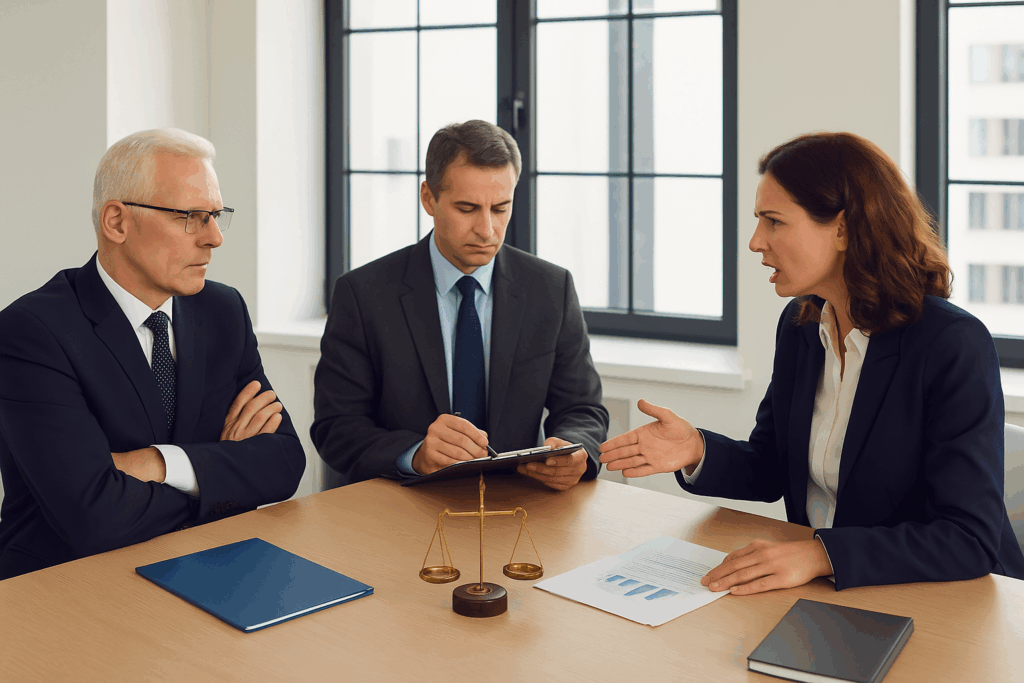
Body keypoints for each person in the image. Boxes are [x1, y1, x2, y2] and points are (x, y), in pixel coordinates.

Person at [600, 132, 1024, 593]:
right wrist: (696, 449)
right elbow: (772, 466)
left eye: (774, 222)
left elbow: (968, 537)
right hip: (833, 591)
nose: (756, 242)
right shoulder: (802, 326)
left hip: (951, 601)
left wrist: (822, 554)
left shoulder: (951, 344)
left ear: (842, 229)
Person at [0, 128, 306, 580]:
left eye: (217, 215)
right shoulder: (32, 332)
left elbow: (283, 463)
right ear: (117, 222)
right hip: (63, 586)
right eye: (192, 216)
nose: (215, 238)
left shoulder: (223, 310)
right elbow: (95, 520)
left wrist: (158, 463)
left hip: (204, 565)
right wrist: (221, 472)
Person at [312, 120, 608, 490]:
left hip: (518, 506)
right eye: (467, 208)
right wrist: (415, 453)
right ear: (429, 198)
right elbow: (335, 427)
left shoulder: (551, 288)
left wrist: (575, 451)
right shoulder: (363, 294)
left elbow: (583, 408)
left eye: (500, 209)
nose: (487, 229)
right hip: (402, 506)